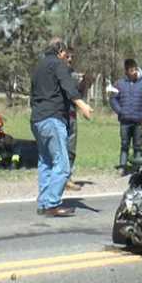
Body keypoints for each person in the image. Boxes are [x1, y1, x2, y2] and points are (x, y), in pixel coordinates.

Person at [30, 37, 93, 217]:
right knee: (63, 164)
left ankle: (43, 203)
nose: (67, 57)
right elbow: (69, 87)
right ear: (59, 51)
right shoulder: (58, 65)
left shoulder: (38, 67)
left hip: (37, 119)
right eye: (65, 53)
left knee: (46, 162)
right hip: (52, 119)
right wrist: (83, 105)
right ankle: (52, 204)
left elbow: (32, 96)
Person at [110, 58, 142, 174]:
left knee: (137, 146)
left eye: (135, 69)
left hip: (139, 121)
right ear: (126, 71)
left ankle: (137, 169)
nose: (134, 72)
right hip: (125, 121)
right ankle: (122, 166)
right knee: (124, 144)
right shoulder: (119, 84)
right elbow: (113, 100)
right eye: (131, 70)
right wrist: (120, 111)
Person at [64, 49, 86, 191]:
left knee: (71, 149)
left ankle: (68, 177)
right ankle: (60, 179)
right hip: (59, 116)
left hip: (72, 115)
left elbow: (79, 95)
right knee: (60, 149)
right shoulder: (58, 74)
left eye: (72, 57)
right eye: (67, 56)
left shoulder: (74, 74)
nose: (70, 59)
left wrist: (82, 82)